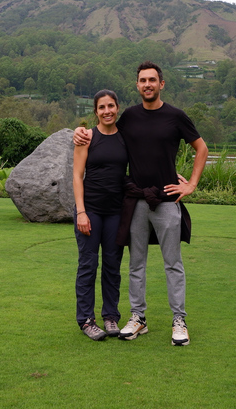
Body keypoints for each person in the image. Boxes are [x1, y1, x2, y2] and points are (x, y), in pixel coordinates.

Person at [75, 61, 208, 346]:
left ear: (161, 84)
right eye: (142, 80)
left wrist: (191, 184)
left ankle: (179, 320)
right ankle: (138, 318)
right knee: (136, 264)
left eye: (152, 80)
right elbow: (104, 130)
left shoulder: (176, 116)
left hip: (166, 200)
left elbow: (201, 148)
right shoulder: (130, 118)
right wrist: (79, 131)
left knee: (172, 263)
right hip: (135, 202)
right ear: (137, 86)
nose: (147, 84)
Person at [72, 89, 128, 341]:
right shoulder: (87, 138)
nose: (107, 111)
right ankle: (86, 320)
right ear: (95, 111)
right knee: (88, 265)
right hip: (90, 211)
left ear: (117, 108)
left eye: (111, 106)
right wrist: (81, 212)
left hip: (116, 211)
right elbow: (77, 175)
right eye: (102, 107)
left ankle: (110, 317)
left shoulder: (125, 137)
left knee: (112, 266)